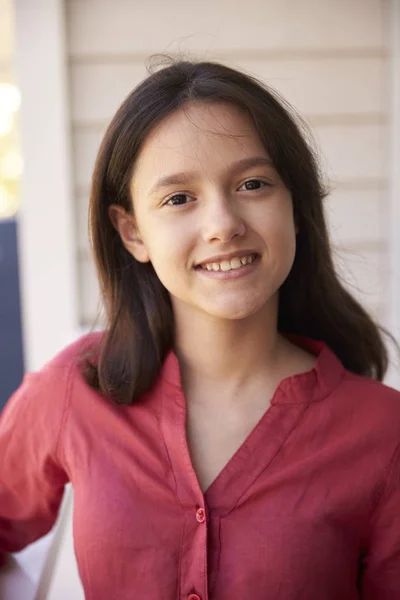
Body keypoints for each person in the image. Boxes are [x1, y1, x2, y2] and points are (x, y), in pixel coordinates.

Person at [0, 59, 399, 600]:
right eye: (179, 198)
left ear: (295, 207)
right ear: (132, 232)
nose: (223, 224)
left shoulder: (384, 431)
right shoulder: (72, 390)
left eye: (253, 184)